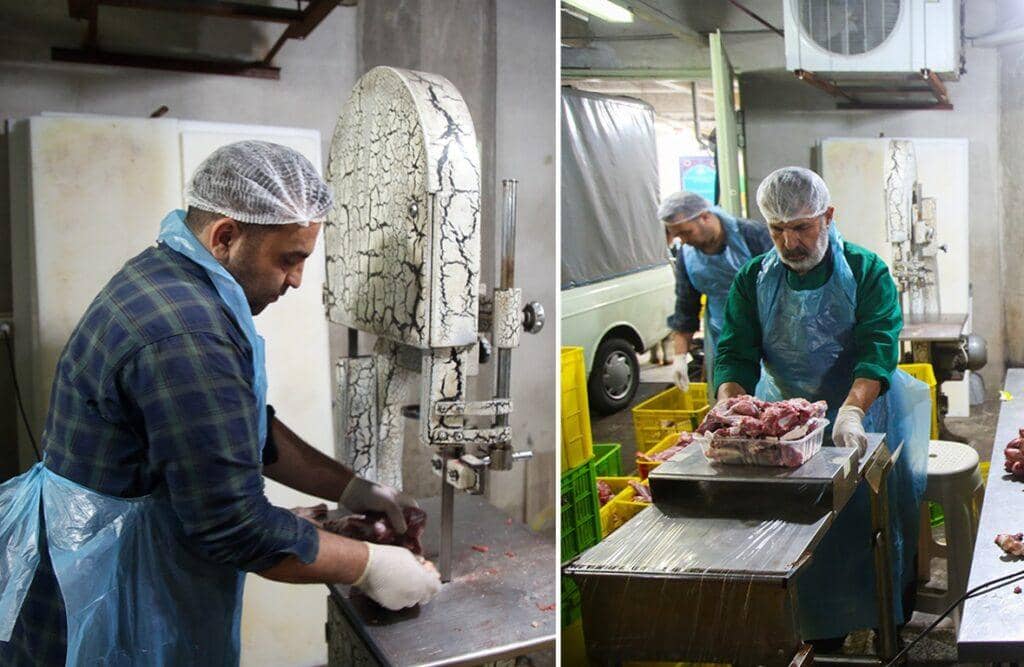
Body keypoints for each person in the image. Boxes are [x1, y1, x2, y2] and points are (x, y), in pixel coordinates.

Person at [0, 141, 441, 666]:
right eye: (289, 259)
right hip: (110, 593)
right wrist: (373, 566)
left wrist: (352, 488)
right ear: (227, 236)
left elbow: (242, 428)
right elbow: (234, 528)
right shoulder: (187, 332)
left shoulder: (172, 275)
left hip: (119, 556)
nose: (297, 280)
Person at [713, 166, 930, 647]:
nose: (789, 243)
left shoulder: (866, 271)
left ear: (828, 217)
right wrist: (731, 406)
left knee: (870, 526)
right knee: (800, 532)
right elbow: (736, 351)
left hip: (864, 415)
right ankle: (816, 629)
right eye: (777, 230)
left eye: (801, 228)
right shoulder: (755, 279)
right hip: (786, 422)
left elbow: (877, 348)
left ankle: (881, 621)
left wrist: (850, 412)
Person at [660, 191, 772, 393]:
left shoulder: (752, 235)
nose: (683, 241)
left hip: (767, 332)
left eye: (686, 232)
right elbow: (686, 307)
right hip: (723, 336)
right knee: (732, 401)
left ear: (705, 216)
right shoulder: (687, 256)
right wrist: (679, 357)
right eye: (678, 236)